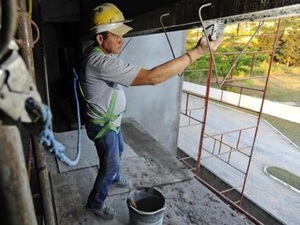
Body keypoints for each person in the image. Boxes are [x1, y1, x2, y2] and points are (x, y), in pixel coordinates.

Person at [79, 2, 222, 220]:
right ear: (101, 39)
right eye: (116, 36)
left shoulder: (100, 54)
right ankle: (95, 203)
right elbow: (152, 77)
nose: (121, 40)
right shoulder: (99, 61)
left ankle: (114, 176)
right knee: (109, 164)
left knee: (116, 152)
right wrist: (197, 52)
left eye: (121, 35)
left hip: (111, 122)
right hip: (103, 126)